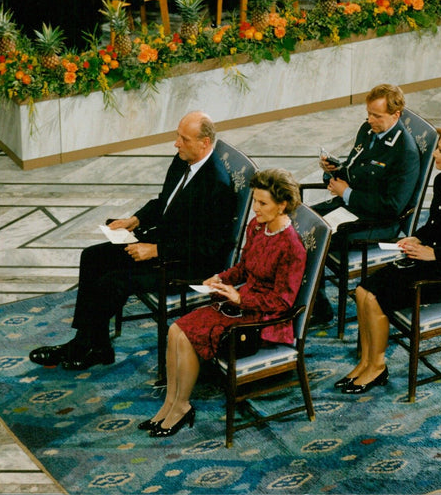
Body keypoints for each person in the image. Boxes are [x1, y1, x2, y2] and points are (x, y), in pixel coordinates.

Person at [29, 111, 236, 370]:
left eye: (183, 139)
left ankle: (86, 346)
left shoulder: (217, 185)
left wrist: (156, 250)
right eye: (177, 136)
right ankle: (93, 345)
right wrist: (135, 220)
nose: (176, 144)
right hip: (162, 243)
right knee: (92, 257)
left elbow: (209, 248)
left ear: (204, 143)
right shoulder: (184, 159)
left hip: (185, 264)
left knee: (112, 281)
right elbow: (165, 202)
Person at [139, 168, 307, 437]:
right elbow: (243, 268)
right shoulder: (257, 226)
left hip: (263, 321)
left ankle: (181, 406)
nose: (255, 209)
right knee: (176, 330)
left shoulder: (292, 247)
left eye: (262, 203)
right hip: (239, 306)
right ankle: (171, 403)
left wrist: (241, 297)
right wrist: (219, 277)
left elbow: (283, 302)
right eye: (254, 201)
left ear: (282, 205)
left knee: (189, 335)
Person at [335, 121, 441, 394]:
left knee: (377, 297)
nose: (435, 155)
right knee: (362, 291)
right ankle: (366, 362)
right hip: (427, 259)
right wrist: (417, 237)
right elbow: (436, 225)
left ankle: (377, 367)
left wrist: (433, 254)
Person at [310, 83, 420, 323]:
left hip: (378, 222)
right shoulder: (368, 131)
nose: (369, 120)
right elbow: (356, 167)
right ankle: (308, 300)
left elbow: (393, 206)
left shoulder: (404, 152)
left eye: (376, 116)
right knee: (302, 222)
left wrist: (347, 192)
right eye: (368, 113)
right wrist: (335, 170)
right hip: (352, 208)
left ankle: (318, 309)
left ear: (395, 115)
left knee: (313, 237)